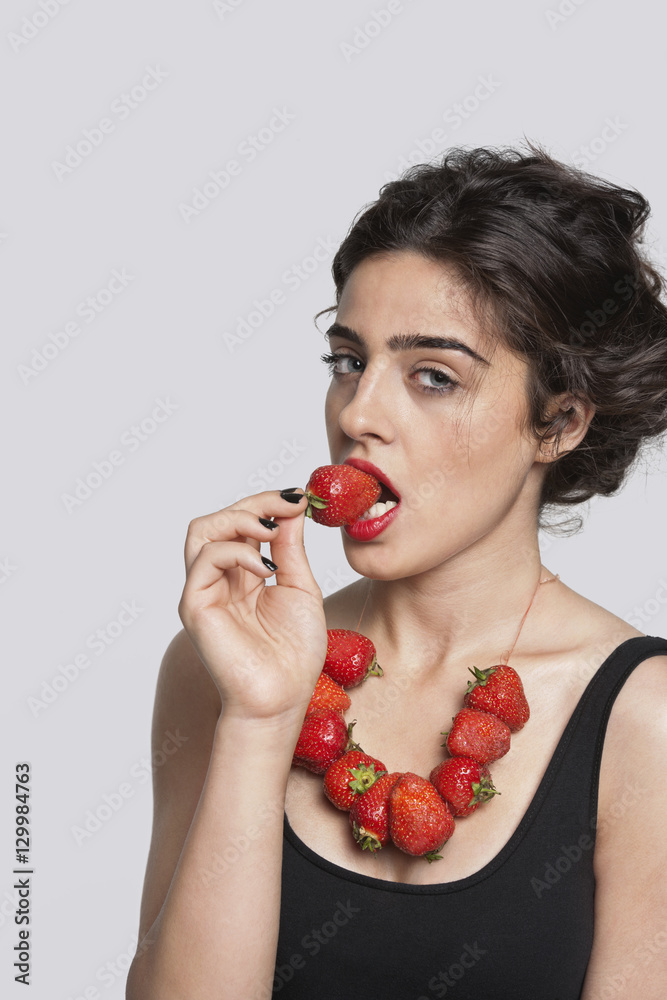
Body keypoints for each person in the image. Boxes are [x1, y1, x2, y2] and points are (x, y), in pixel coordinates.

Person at [125, 141, 667, 999]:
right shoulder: (217, 669)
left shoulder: (648, 719)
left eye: (432, 376)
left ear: (557, 422)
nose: (360, 413)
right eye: (349, 361)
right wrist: (260, 720)